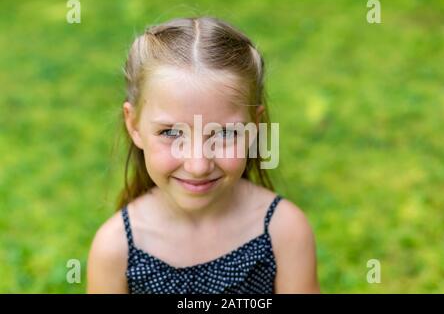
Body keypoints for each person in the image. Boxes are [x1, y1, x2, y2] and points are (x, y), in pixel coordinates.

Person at [87, 16, 319, 294]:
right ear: (134, 124)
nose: (198, 165)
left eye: (224, 134)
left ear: (254, 126)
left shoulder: (284, 230)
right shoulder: (116, 248)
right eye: (172, 133)